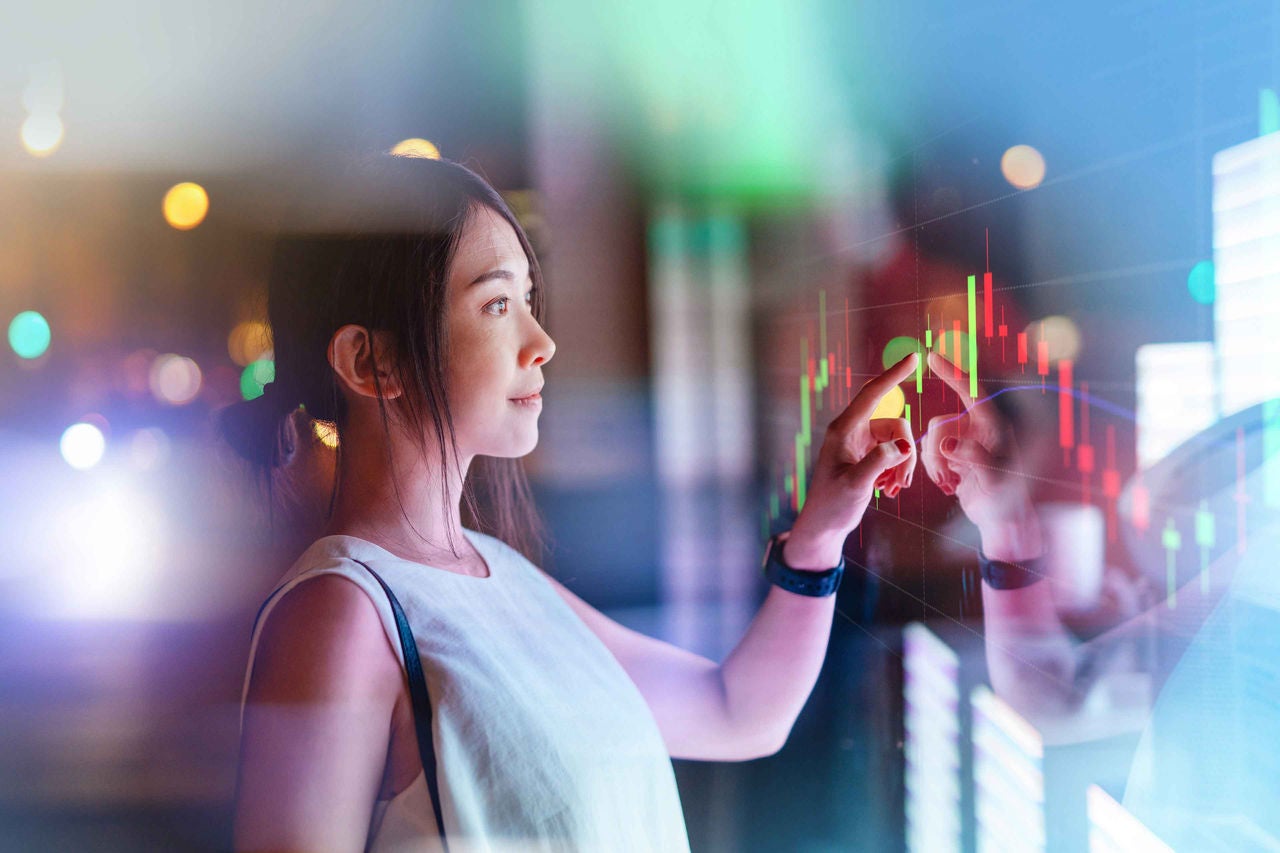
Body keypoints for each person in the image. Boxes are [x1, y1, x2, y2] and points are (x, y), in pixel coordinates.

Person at [223, 154, 920, 852]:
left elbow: (740, 712)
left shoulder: (501, 574)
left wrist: (820, 535)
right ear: (370, 362)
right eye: (498, 304)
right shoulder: (341, 614)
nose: (541, 341)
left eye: (529, 300)